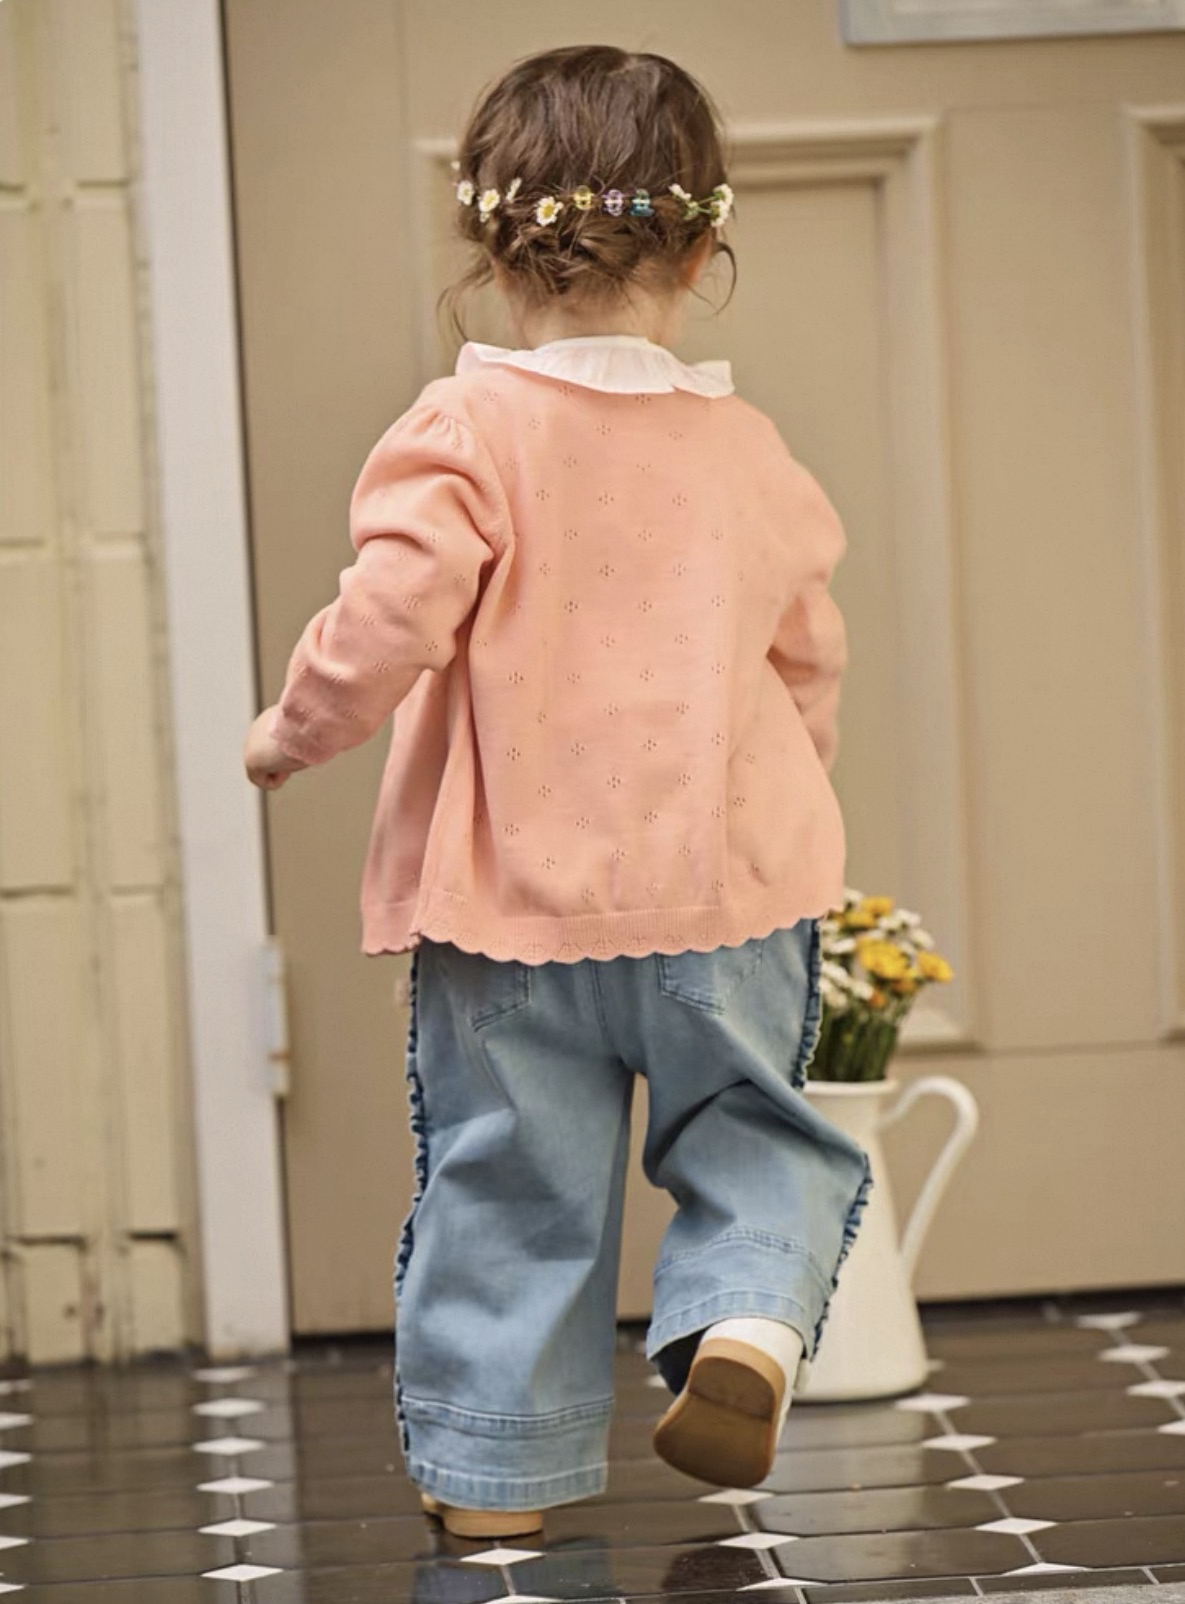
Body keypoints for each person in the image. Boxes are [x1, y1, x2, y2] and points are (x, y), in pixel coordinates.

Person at [244, 43, 871, 1541]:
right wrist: (777, 801)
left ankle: (495, 1485)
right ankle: (743, 1327)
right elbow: (808, 656)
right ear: (703, 251)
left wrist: (293, 730)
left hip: (509, 914)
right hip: (724, 902)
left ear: (486, 244)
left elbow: (389, 620)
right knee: (753, 1131)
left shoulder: (462, 435)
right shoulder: (748, 451)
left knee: (509, 1183)